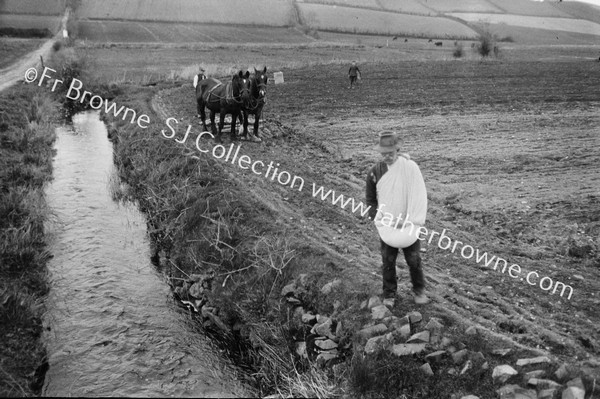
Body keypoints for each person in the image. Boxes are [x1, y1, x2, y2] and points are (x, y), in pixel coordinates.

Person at [366, 131, 430, 305]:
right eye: (384, 154)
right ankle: (389, 294)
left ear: (397, 150)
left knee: (414, 259)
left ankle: (419, 291)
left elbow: (418, 193)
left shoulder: (409, 167)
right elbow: (371, 200)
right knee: (388, 260)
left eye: (391, 153)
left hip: (409, 223)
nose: (387, 157)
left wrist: (409, 219)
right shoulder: (374, 173)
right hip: (387, 224)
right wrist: (379, 220)